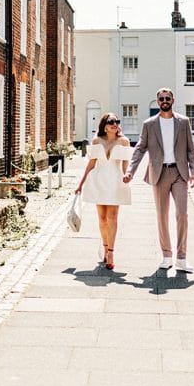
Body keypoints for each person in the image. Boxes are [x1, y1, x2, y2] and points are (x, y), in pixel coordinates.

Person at [123, 87, 194, 272]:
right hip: (159, 174)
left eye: (167, 98)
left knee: (182, 214)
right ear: (158, 102)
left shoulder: (183, 122)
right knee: (162, 216)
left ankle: (181, 258)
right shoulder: (149, 124)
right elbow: (140, 148)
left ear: (173, 100)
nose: (164, 101)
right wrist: (130, 171)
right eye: (161, 98)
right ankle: (167, 255)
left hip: (179, 173)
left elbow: (190, 149)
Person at [74, 112, 132, 270]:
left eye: (117, 121)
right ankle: (105, 248)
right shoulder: (96, 140)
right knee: (102, 219)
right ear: (105, 126)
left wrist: (127, 175)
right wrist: (81, 184)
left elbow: (126, 164)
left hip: (115, 181)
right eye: (111, 121)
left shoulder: (124, 141)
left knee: (112, 218)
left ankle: (111, 253)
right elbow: (91, 164)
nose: (115, 124)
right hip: (98, 181)